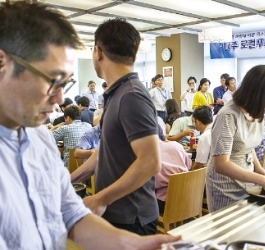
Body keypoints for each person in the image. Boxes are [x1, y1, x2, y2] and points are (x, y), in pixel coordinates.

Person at [0, 1, 178, 249]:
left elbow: (70, 214)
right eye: (53, 80)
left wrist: (129, 243)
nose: (61, 99)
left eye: (65, 84)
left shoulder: (39, 137)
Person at [70, 18, 167, 235]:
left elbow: (151, 162)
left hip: (131, 218)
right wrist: (70, 180)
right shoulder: (118, 93)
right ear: (134, 54)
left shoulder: (131, 95)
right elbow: (104, 151)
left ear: (98, 51)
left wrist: (101, 198)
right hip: (115, 213)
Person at [206, 65, 265, 212]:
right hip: (224, 184)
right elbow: (221, 164)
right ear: (257, 93)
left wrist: (260, 169)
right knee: (227, 229)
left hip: (246, 178)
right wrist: (261, 179)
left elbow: (247, 145)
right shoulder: (228, 115)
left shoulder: (257, 112)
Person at [155, 139, 192, 215]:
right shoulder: (176, 145)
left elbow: (152, 184)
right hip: (189, 197)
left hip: (166, 202)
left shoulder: (149, 153)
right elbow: (189, 165)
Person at [192, 106, 214, 170]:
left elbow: (199, 164)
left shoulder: (204, 137)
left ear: (198, 122)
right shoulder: (219, 129)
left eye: (194, 122)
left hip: (210, 173)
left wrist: (190, 172)